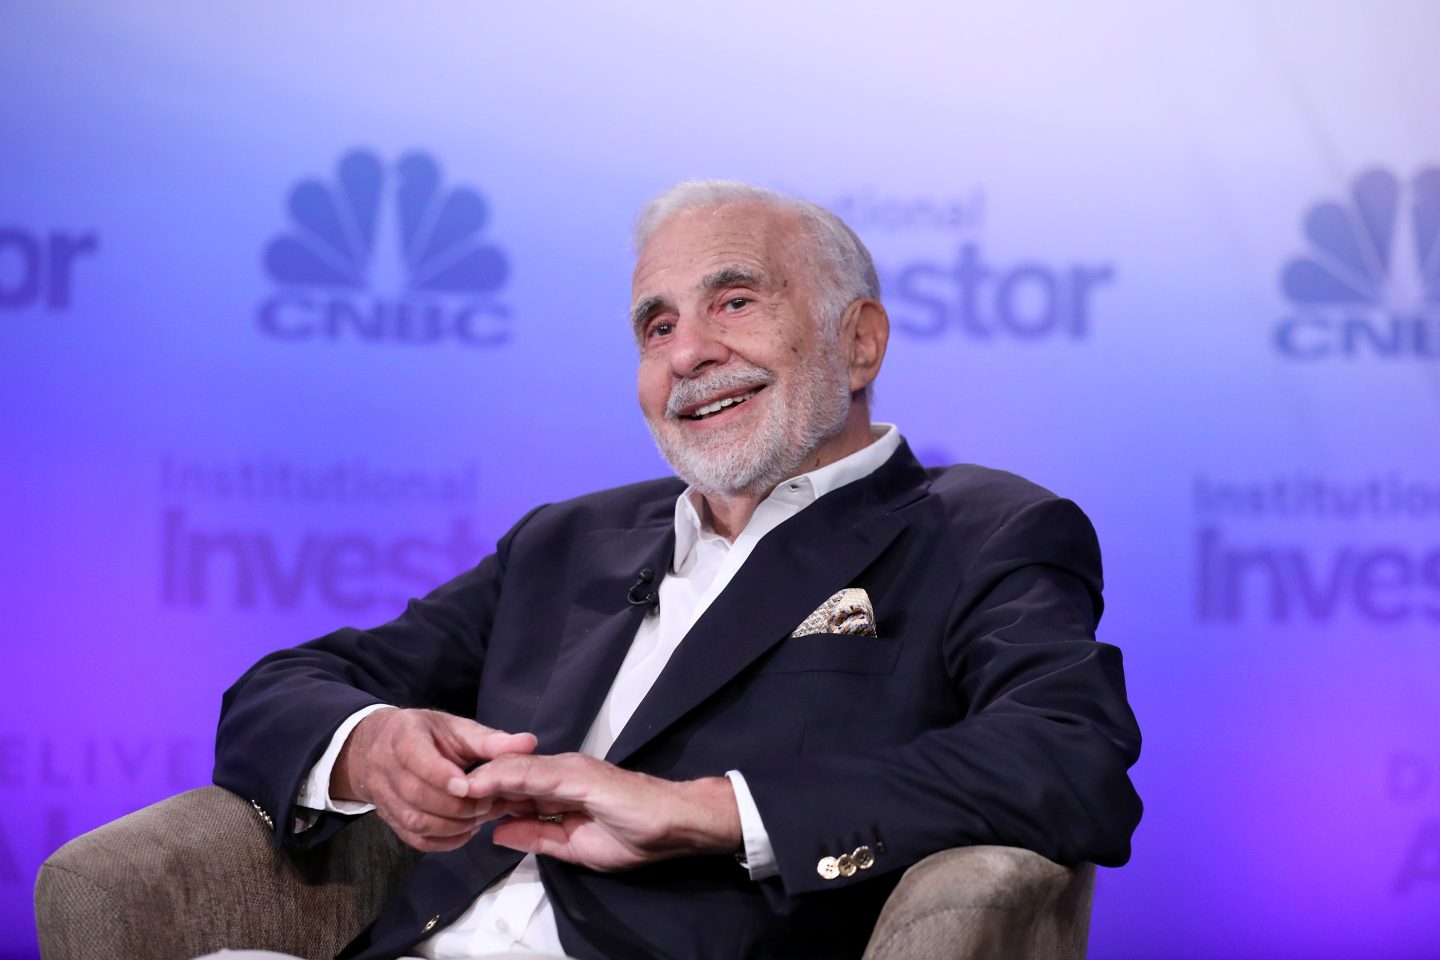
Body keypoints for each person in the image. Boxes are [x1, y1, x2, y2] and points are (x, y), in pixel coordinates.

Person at [210, 180, 1143, 960]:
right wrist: (372, 745)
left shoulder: (980, 530)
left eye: (734, 302)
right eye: (657, 327)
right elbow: (280, 689)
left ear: (859, 342)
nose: (688, 353)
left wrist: (711, 812)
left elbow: (1070, 758)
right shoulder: (569, 539)